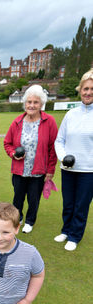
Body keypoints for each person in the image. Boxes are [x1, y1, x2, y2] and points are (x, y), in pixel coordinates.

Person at [4, 85, 58, 233]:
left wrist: (50, 170)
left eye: (35, 102)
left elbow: (53, 148)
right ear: (24, 103)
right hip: (19, 170)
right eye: (29, 102)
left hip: (38, 170)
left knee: (33, 199)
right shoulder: (17, 122)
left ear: (41, 104)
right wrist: (13, 153)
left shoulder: (49, 121)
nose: (32, 105)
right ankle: (18, 217)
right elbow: (7, 143)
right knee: (18, 198)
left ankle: (30, 221)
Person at [54, 69, 93, 251]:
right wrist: (63, 158)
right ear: (80, 90)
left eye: (92, 89)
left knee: (81, 205)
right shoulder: (71, 115)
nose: (88, 92)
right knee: (68, 202)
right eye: (85, 89)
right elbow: (59, 140)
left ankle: (75, 236)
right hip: (68, 169)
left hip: (88, 171)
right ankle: (66, 230)